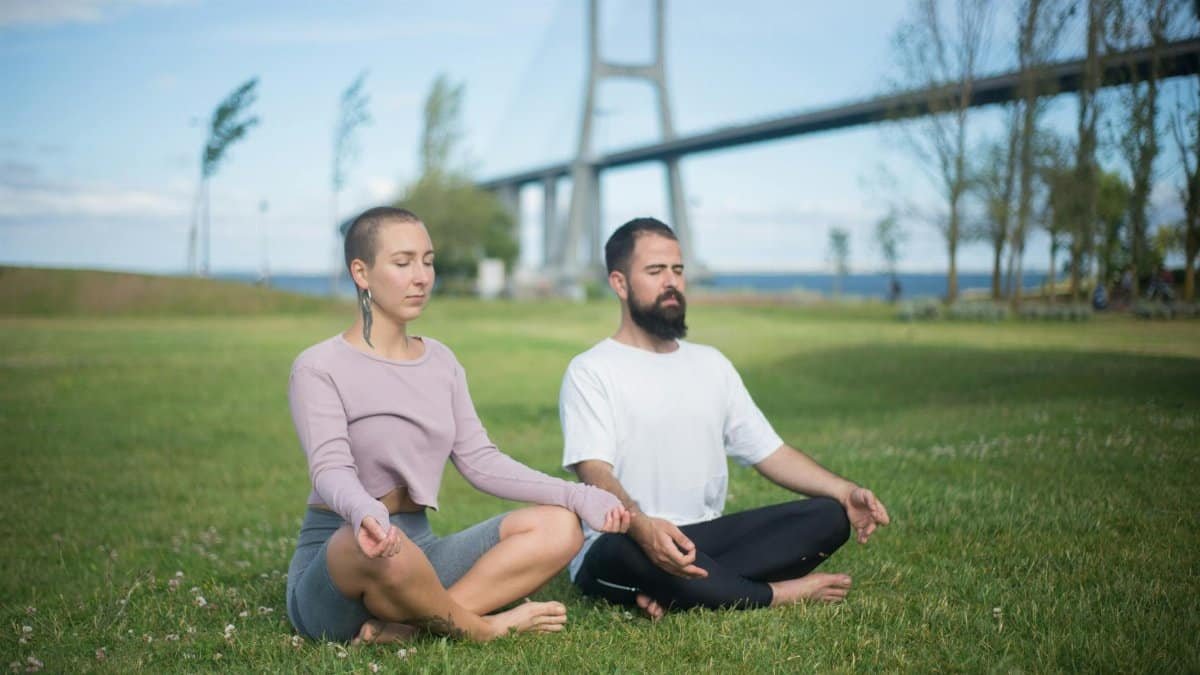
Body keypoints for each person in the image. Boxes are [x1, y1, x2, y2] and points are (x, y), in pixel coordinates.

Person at [285, 206, 630, 644]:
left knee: (561, 526)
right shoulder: (318, 366)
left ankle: (408, 628)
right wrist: (363, 511)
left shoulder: (441, 362)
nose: (422, 276)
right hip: (346, 556)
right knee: (366, 545)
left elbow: (481, 461)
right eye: (403, 262)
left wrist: (579, 495)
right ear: (361, 272)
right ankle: (482, 628)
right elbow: (329, 468)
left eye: (428, 261)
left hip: (417, 552)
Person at [559, 217, 890, 619]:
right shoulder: (591, 369)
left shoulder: (711, 364)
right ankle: (774, 594)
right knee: (621, 550)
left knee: (828, 516)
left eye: (678, 270)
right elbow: (593, 470)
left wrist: (845, 491)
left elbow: (770, 452)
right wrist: (643, 526)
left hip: (703, 540)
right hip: (624, 538)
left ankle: (680, 591)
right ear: (619, 283)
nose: (672, 281)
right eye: (655, 270)